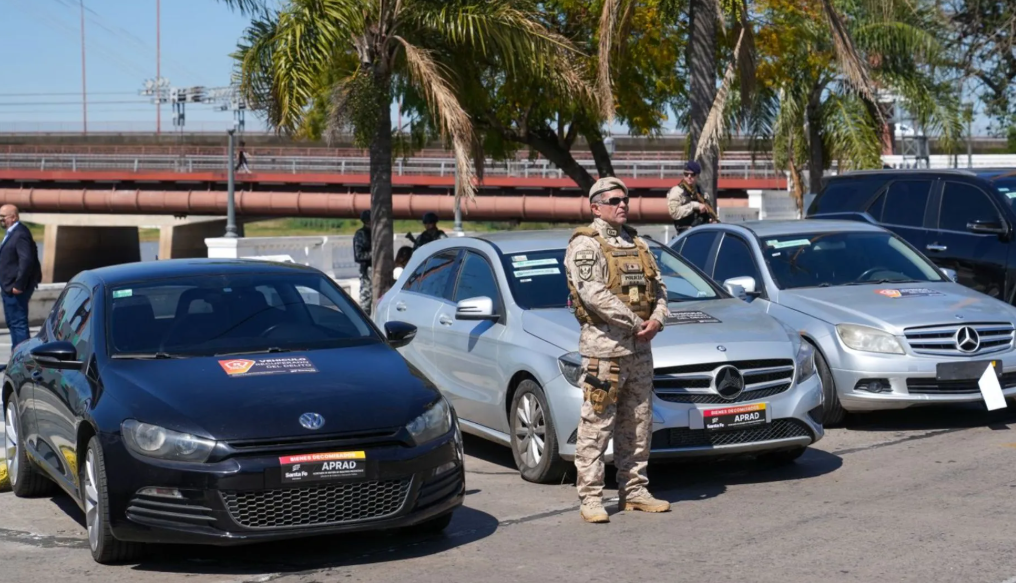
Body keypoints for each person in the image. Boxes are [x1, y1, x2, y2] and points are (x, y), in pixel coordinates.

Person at [564, 177, 671, 524]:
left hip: (640, 351)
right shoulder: (585, 244)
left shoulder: (637, 242)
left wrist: (657, 319)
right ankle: (591, 497)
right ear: (595, 207)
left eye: (625, 199)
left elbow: (660, 288)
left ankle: (634, 491)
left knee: (638, 424)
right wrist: (635, 323)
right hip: (605, 350)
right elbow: (593, 293)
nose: (622, 204)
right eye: (613, 200)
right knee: (596, 425)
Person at [0, 205, 42, 350]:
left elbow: (26, 260)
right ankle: (16, 357)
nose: (1, 219)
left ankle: (24, 359)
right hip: (8, 287)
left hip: (15, 288)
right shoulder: (11, 233)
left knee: (18, 323)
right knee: (12, 323)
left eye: (3, 216)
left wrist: (19, 284)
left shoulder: (20, 233)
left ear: (14, 217)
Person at [666, 160, 717, 234]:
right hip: (686, 234)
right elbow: (674, 213)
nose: (689, 177)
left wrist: (711, 220)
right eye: (686, 174)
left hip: (702, 232)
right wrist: (694, 205)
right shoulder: (677, 191)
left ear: (697, 176)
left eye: (692, 174)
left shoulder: (701, 192)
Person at [352, 210, 372, 315]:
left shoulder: (377, 233)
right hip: (367, 273)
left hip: (378, 272)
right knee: (366, 302)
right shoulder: (361, 234)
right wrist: (374, 254)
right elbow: (358, 256)